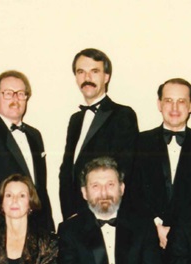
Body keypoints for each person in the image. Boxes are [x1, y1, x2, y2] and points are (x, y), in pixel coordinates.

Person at [129, 78, 191, 248]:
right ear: (159, 104)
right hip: (147, 237)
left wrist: (179, 231)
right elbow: (133, 191)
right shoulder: (139, 142)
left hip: (189, 240)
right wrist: (156, 226)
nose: (174, 108)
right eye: (168, 101)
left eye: (181, 101)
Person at [0, 71, 54, 235]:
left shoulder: (35, 135)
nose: (15, 99)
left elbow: (40, 190)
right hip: (0, 236)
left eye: (21, 94)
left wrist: (49, 231)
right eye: (8, 94)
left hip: (37, 235)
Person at [58, 48, 138, 220]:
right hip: (75, 219)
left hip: (105, 216)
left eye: (94, 71)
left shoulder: (123, 115)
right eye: (81, 72)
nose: (87, 78)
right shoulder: (75, 120)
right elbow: (67, 171)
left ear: (106, 77)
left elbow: (123, 170)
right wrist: (69, 214)